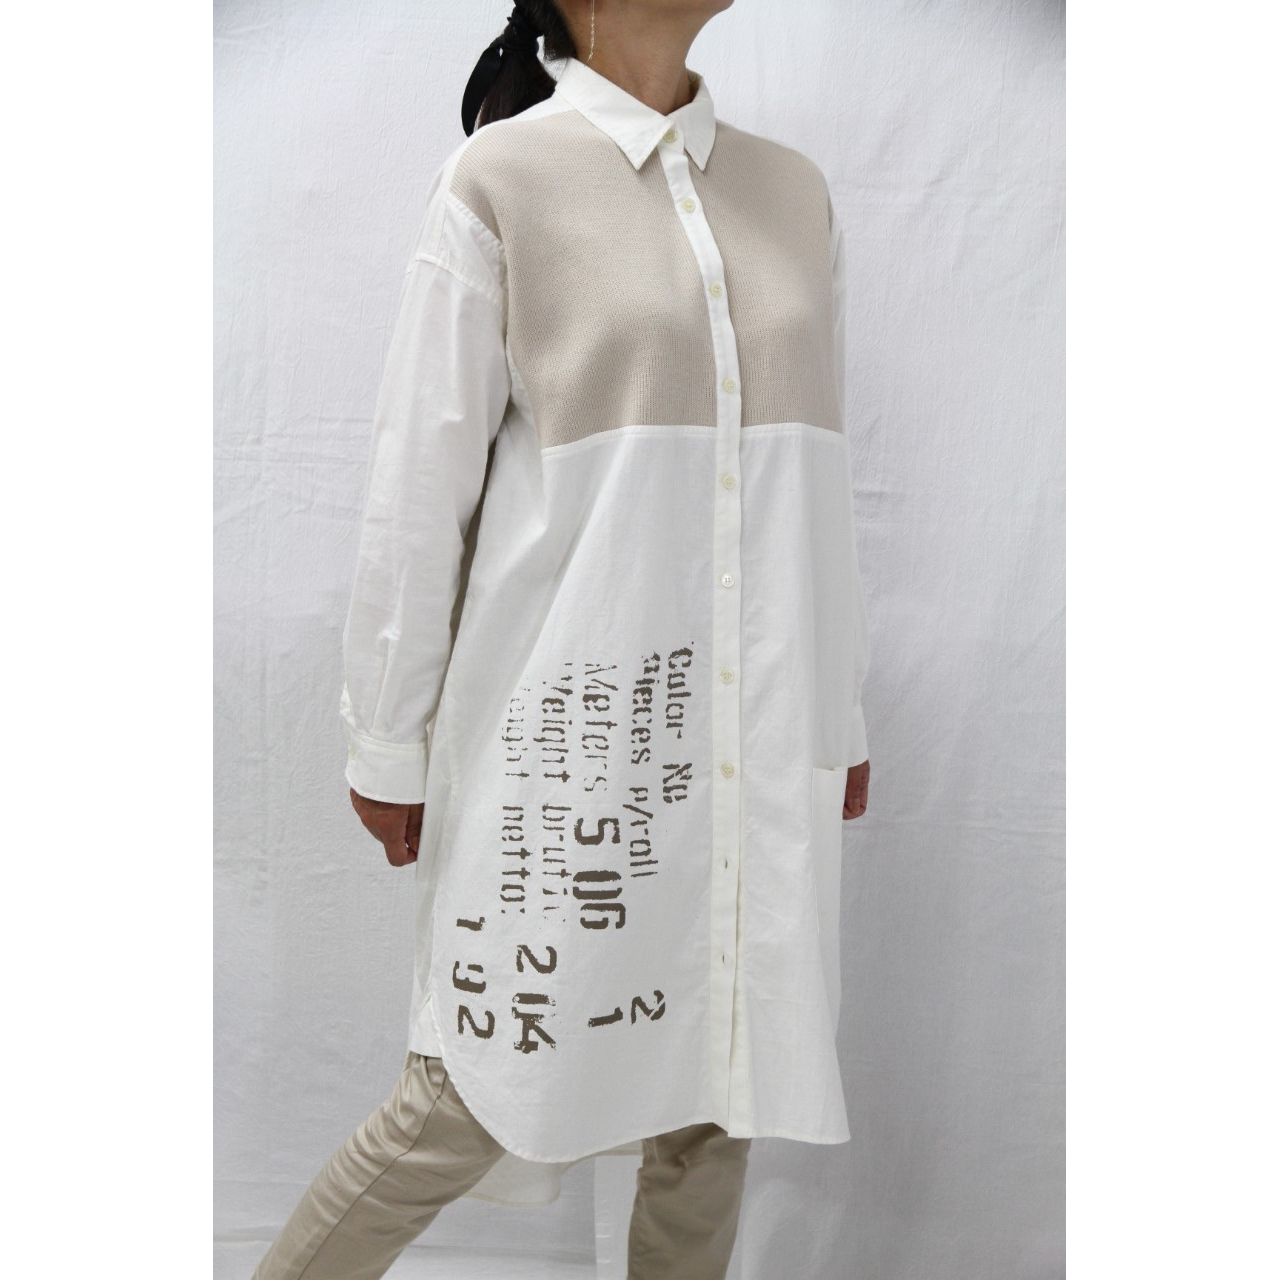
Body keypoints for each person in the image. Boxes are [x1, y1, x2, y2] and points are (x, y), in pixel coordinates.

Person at [252, 0, 872, 1276]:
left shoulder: (792, 194)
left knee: (715, 1100)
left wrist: (838, 713)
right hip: (572, 745)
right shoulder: (499, 182)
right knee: (462, 1095)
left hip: (759, 736)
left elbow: (820, 488)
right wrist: (388, 738)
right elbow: (418, 488)